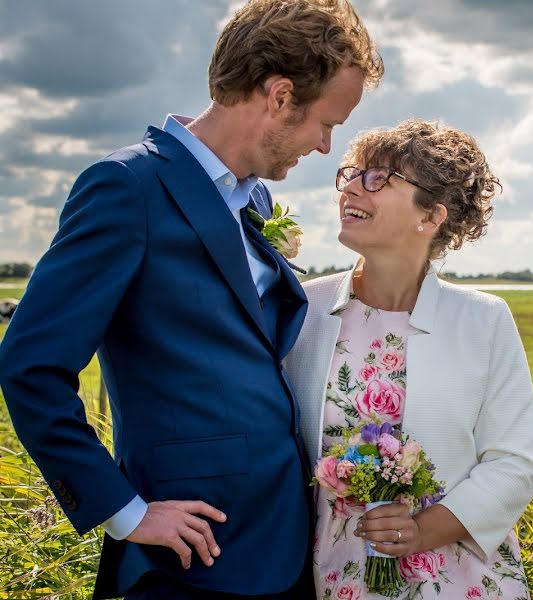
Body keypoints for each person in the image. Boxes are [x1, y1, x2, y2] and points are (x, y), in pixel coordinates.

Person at [0, 1, 382, 598]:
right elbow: (30, 367)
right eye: (325, 123)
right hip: (186, 554)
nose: (326, 146)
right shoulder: (127, 188)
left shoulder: (254, 203)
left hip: (278, 537)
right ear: (280, 95)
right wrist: (124, 511)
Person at [283, 119, 533, 599]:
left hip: (457, 576)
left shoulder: (484, 320)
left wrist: (421, 531)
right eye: (352, 173)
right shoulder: (300, 310)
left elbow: (513, 465)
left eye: (379, 178)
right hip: (332, 575)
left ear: (431, 217)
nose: (352, 188)